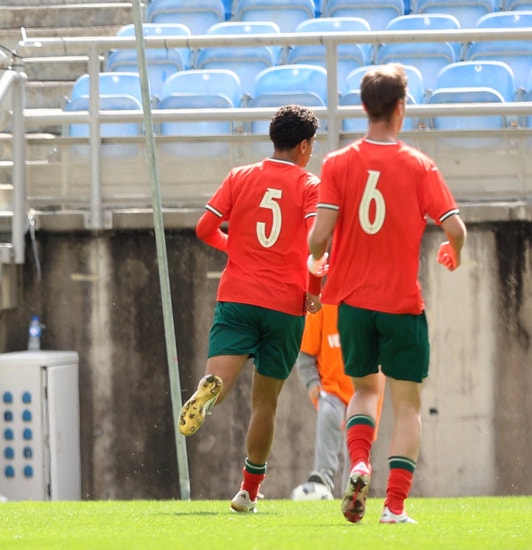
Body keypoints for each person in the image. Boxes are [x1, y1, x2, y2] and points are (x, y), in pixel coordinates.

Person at [308, 63, 467, 524]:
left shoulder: (337, 164)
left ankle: (359, 463)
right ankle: (393, 507)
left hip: (352, 303)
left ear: (363, 107)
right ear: (401, 108)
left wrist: (319, 263)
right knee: (408, 404)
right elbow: (455, 227)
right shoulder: (419, 165)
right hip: (401, 303)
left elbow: (318, 239)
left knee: (362, 392)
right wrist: (453, 253)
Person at [177, 104, 324, 514]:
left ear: (273, 139)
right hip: (285, 304)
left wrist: (237, 249)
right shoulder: (310, 185)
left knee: (219, 382)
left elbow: (205, 229)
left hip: (238, 295)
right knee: (265, 403)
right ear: (305, 146)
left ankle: (208, 393)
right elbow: (317, 243)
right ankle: (248, 491)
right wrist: (314, 290)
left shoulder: (240, 176)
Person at [292, 303, 384, 499]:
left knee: (356, 448)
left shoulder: (371, 304)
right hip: (330, 389)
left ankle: (351, 493)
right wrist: (312, 384)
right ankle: (323, 477)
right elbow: (305, 353)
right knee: (328, 413)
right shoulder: (323, 306)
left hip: (365, 395)